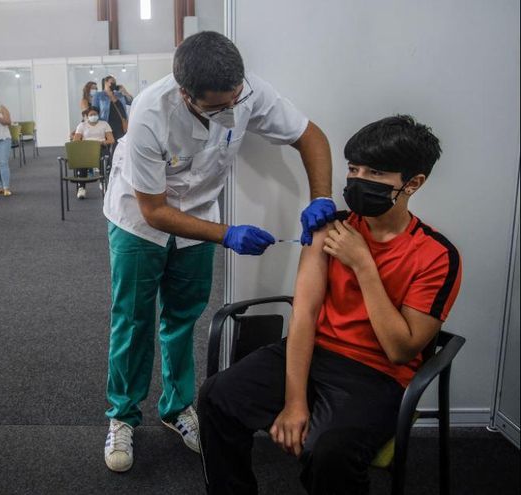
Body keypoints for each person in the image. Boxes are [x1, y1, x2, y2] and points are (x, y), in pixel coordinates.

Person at [100, 31, 336, 473]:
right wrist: (226, 234)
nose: (233, 109)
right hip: (138, 219)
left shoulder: (247, 91)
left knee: (183, 318)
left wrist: (320, 197)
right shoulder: (151, 111)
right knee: (133, 321)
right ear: (187, 95)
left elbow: (311, 136)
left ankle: (176, 409)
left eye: (236, 99)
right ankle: (123, 417)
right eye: (219, 106)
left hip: (199, 217)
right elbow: (154, 210)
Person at [197, 115, 462, 494]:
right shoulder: (329, 227)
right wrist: (295, 402)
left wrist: (363, 265)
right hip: (315, 351)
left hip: (377, 375)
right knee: (217, 396)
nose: (357, 180)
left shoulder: (436, 255)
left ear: (413, 183)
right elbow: (303, 314)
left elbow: (400, 349)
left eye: (375, 173)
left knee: (328, 452)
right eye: (353, 168)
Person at [72, 105, 114, 199]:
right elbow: (76, 140)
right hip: (86, 148)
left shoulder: (104, 124)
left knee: (104, 158)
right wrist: (86, 144)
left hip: (101, 147)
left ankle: (102, 182)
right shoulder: (82, 125)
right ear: (87, 116)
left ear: (98, 115)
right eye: (91, 114)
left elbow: (111, 140)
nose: (93, 116)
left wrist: (102, 142)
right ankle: (81, 187)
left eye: (95, 114)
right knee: (81, 160)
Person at [92, 74, 133, 143]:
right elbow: (95, 110)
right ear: (106, 82)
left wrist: (125, 92)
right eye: (112, 82)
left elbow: (131, 102)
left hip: (121, 124)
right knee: (110, 144)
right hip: (107, 124)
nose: (114, 84)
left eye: (115, 82)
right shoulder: (99, 95)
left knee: (121, 144)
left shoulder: (119, 94)